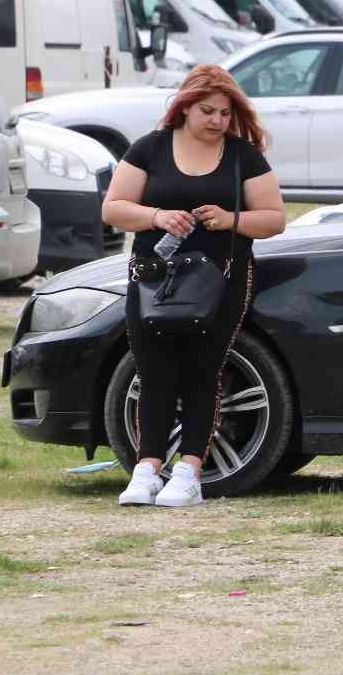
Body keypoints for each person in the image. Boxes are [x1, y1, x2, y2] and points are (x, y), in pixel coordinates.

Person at [101, 65, 286, 507]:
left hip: (221, 279)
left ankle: (189, 472)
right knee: (154, 371)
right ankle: (146, 470)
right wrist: (157, 216)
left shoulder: (244, 156)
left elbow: (275, 218)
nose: (217, 120)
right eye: (207, 111)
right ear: (184, 107)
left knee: (204, 371)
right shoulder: (149, 149)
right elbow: (113, 208)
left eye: (225, 112)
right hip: (155, 279)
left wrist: (230, 220)